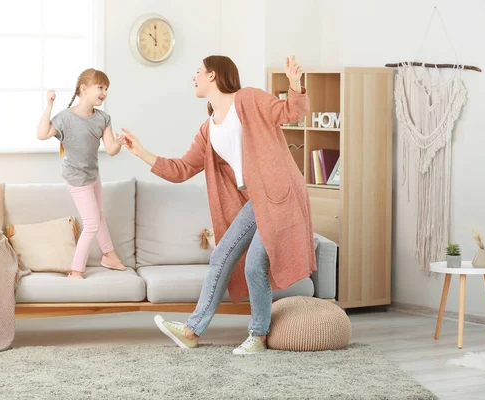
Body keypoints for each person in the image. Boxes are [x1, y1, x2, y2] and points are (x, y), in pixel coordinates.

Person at [122, 55, 316, 355]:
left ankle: (258, 336)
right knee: (221, 256)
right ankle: (191, 331)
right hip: (256, 201)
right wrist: (141, 153)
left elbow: (289, 112)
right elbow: (182, 169)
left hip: (280, 195)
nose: (194, 77)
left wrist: (294, 85)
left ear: (213, 75)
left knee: (254, 265)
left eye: (197, 71)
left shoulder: (248, 100)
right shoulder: (207, 129)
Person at [36, 68, 127, 279]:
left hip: (92, 175)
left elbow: (111, 149)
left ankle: (109, 256)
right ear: (83, 89)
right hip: (76, 178)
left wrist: (120, 143)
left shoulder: (103, 118)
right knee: (92, 223)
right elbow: (42, 134)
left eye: (106, 88)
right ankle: (76, 270)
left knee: (99, 216)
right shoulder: (65, 118)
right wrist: (49, 105)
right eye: (100, 87)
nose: (104, 92)